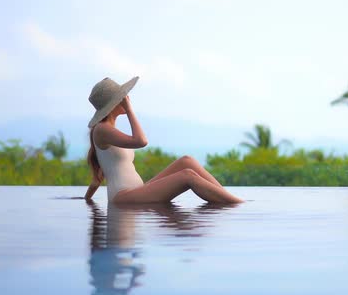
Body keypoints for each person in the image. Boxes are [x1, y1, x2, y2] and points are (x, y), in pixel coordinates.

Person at [84, 76, 244, 204]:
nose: (126, 98)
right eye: (122, 97)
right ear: (113, 103)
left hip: (137, 190)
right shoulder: (102, 129)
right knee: (187, 175)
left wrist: (87, 199)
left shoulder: (108, 131)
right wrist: (129, 108)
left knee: (186, 161)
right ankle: (238, 205)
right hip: (124, 196)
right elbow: (141, 141)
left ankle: (228, 197)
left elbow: (97, 177)